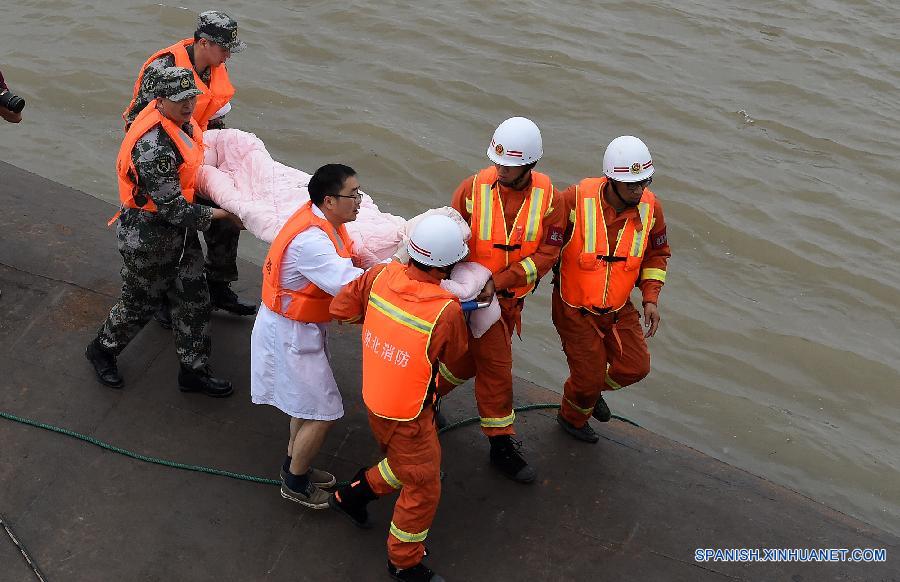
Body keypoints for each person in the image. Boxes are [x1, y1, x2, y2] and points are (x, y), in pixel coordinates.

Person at [328, 214, 470, 582]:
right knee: (423, 483)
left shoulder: (379, 276)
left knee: (405, 462)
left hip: (376, 398)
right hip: (410, 414)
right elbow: (456, 356)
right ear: (450, 263)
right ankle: (403, 561)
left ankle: (353, 497)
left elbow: (341, 309)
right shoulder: (446, 309)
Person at [85, 67, 242, 396]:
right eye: (179, 100)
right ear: (159, 100)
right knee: (138, 304)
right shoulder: (154, 149)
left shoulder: (181, 122)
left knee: (195, 301)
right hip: (148, 239)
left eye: (191, 98)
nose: (188, 105)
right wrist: (225, 215)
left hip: (179, 238)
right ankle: (102, 349)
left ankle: (193, 370)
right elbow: (175, 210)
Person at [444, 117, 566, 483]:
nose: (500, 169)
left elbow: (548, 252)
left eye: (508, 165)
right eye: (497, 161)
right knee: (496, 369)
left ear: (530, 165)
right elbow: (450, 234)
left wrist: (500, 281)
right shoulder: (472, 188)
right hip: (470, 296)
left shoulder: (550, 200)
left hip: (505, 298)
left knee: (465, 362)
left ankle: (425, 400)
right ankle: (501, 445)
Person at [123, 10, 255, 325]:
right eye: (224, 49)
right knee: (174, 236)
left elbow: (213, 113)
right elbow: (139, 122)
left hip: (198, 152)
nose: (227, 57)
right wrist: (168, 163)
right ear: (204, 42)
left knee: (226, 216)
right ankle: (161, 299)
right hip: (166, 161)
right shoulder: (164, 69)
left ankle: (219, 286)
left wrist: (225, 151)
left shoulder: (213, 67)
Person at [250, 164, 367, 509]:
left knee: (304, 402)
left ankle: (294, 462)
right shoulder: (312, 242)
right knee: (324, 410)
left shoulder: (319, 221)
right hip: (290, 334)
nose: (359, 200)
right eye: (353, 194)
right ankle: (295, 482)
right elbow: (350, 287)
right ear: (330, 201)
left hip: (296, 328)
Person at [552, 135, 671, 443]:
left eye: (644, 182)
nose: (639, 189)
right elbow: (544, 242)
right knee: (587, 378)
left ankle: (588, 391)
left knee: (636, 366)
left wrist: (651, 298)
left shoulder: (651, 208)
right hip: (574, 310)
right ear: (611, 180)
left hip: (619, 309)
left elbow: (657, 255)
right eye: (631, 184)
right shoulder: (574, 200)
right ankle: (572, 417)